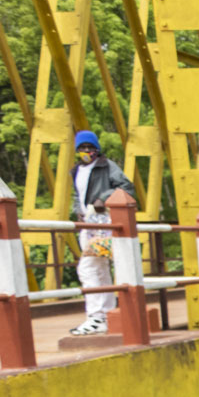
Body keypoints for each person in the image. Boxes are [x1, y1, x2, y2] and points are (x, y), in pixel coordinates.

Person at [68, 130, 136, 336]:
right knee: (100, 268)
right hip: (87, 225)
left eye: (90, 147)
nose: (87, 151)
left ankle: (95, 315)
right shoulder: (76, 170)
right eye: (82, 148)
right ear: (77, 150)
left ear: (97, 148)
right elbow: (77, 196)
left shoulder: (107, 166)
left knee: (87, 268)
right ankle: (105, 314)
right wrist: (77, 211)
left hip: (103, 224)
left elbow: (126, 187)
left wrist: (102, 199)